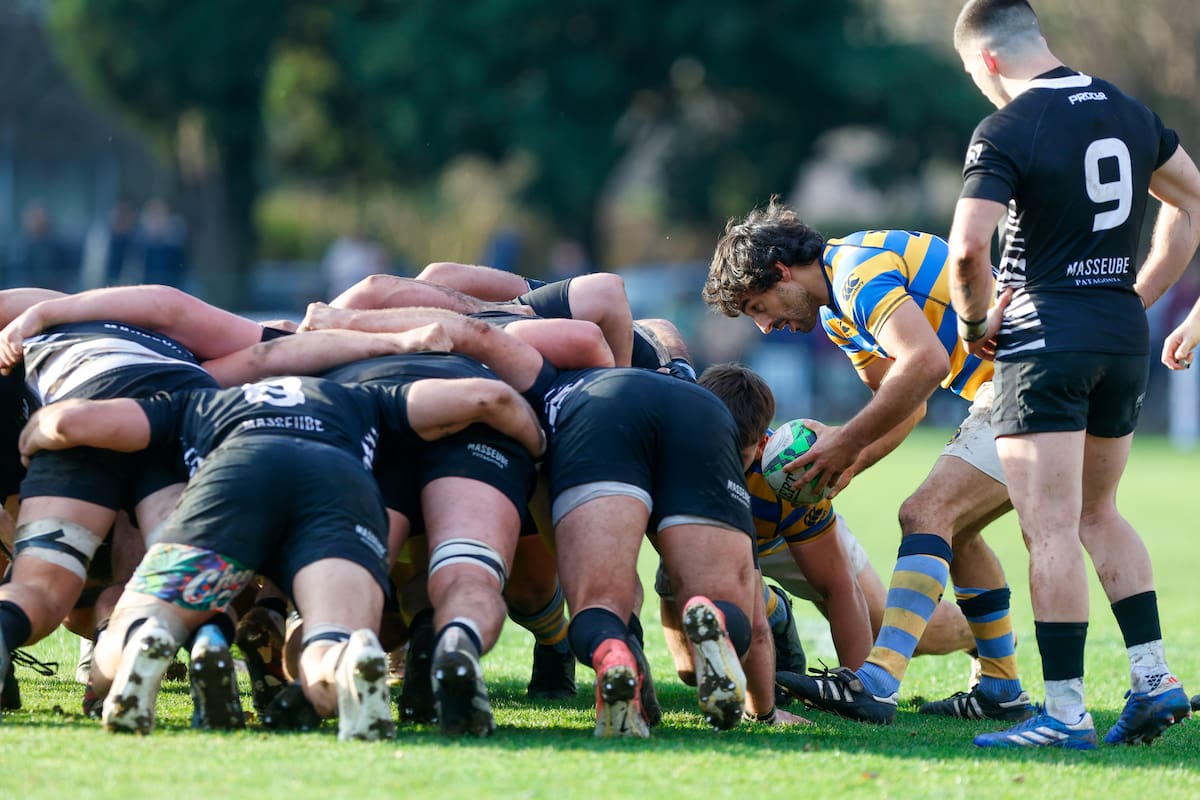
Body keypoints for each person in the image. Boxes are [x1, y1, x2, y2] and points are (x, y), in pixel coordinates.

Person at [17, 372, 544, 739]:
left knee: (140, 618)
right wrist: (538, 445)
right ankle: (343, 660)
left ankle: (144, 637)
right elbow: (486, 400)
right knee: (329, 637)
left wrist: (37, 431)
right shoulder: (360, 398)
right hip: (336, 484)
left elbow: (76, 424)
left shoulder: (199, 401)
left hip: (235, 479)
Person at [948, 0, 1200, 749]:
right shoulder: (1126, 107)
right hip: (1119, 335)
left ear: (988, 60)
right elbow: (1191, 200)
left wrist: (971, 325)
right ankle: (1155, 681)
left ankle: (1062, 714)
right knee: (1100, 513)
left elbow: (967, 249)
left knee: (1048, 527)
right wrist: (1143, 296)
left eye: (972, 72)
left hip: (1044, 339)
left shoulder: (1006, 127)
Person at [704, 206, 1032, 724]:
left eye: (757, 306)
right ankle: (1000, 685)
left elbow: (925, 365)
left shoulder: (856, 273)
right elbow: (903, 400)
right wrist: (847, 465)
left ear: (781, 271)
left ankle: (876, 683)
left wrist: (844, 442)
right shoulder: (836, 312)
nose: (765, 326)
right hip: (1011, 383)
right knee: (957, 531)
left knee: (925, 515)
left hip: (1030, 376)